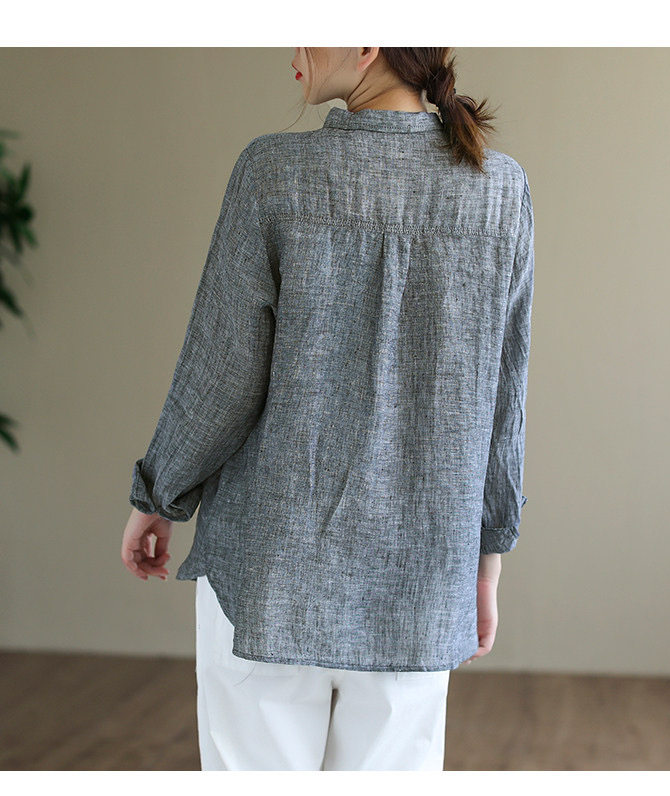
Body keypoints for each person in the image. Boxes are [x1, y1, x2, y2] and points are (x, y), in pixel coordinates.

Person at [120, 46, 534, 771]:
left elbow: (222, 371)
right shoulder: (498, 189)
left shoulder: (275, 172)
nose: (293, 49)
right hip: (421, 576)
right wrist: (487, 558)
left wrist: (159, 495)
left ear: (368, 43)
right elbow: (504, 397)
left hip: (269, 570)